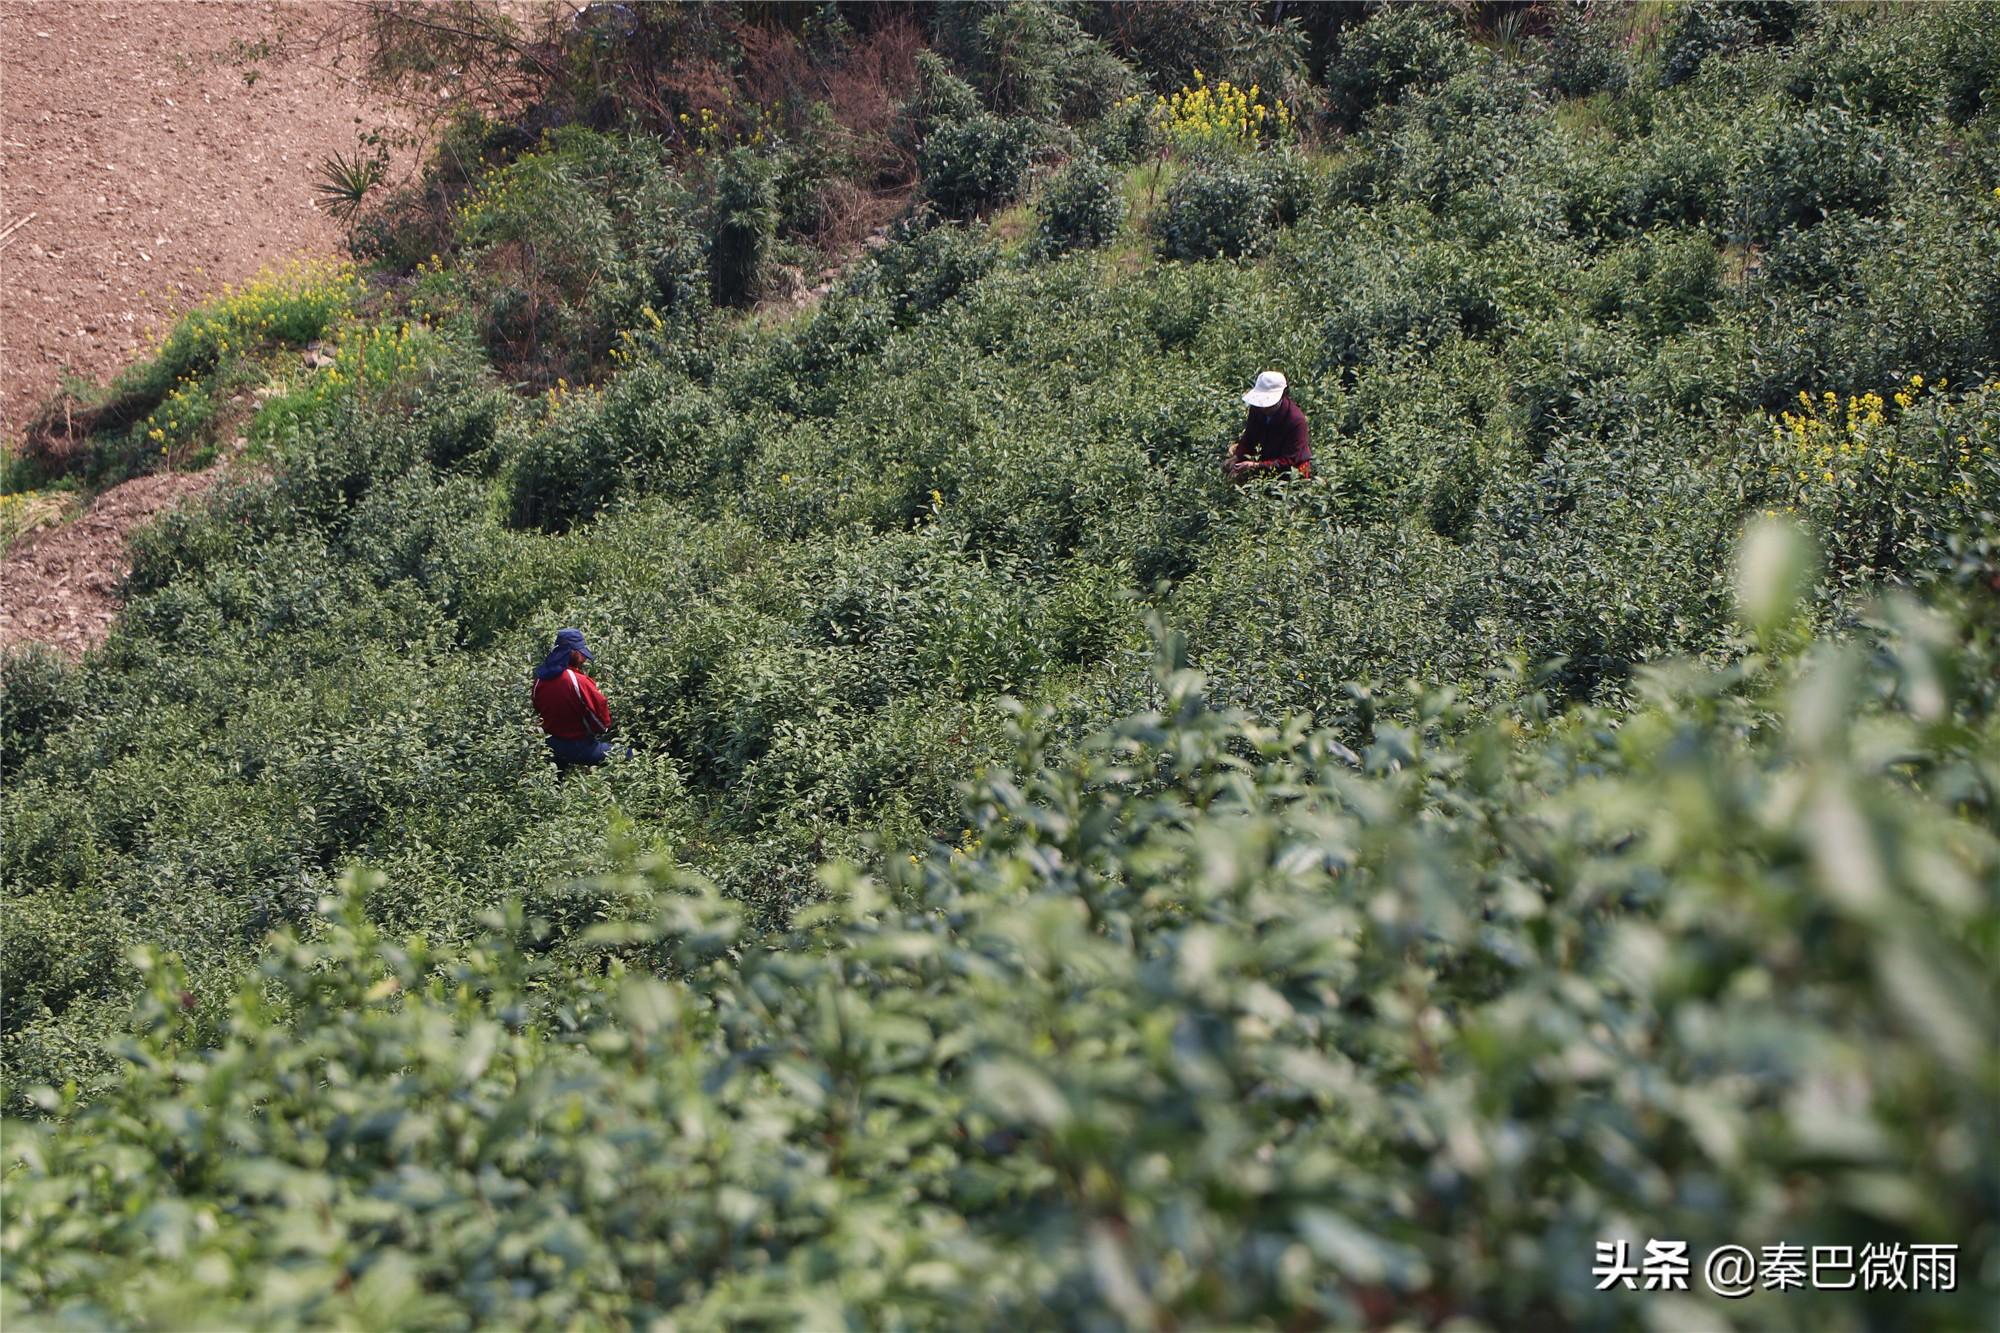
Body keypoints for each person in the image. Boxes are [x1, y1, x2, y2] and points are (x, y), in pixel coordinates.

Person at [531, 627, 614, 770]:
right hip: (578, 746)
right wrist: (603, 729)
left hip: (551, 745)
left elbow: (538, 708)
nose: (584, 658)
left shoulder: (540, 680)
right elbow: (601, 718)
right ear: (572, 652)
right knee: (626, 754)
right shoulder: (576, 680)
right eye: (581, 653)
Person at [1226, 370, 1312, 481]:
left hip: (1291, 473)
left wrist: (1255, 466)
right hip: (1265, 462)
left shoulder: (1296, 421)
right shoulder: (1257, 409)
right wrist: (1238, 456)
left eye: (1268, 404)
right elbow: (1249, 436)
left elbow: (1289, 461)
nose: (1263, 408)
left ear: (1282, 396)